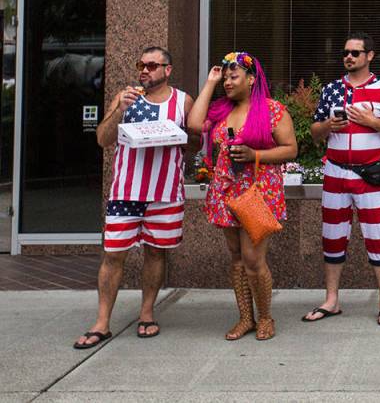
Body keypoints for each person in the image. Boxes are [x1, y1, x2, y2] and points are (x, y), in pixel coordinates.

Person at [74, 47, 193, 349]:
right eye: (141, 64)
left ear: (168, 70)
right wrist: (118, 110)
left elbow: (195, 142)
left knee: (156, 253)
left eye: (153, 65)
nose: (145, 70)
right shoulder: (126, 97)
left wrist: (185, 134)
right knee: (113, 254)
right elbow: (103, 139)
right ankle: (102, 323)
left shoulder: (182, 101)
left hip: (165, 192)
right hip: (126, 191)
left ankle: (147, 313)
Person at [187, 51, 297, 340]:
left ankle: (265, 318)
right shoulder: (221, 111)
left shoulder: (273, 110)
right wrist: (209, 82)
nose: (227, 81)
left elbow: (290, 149)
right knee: (236, 257)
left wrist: (254, 154)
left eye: (233, 76)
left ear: (251, 79)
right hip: (226, 191)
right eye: (224, 76)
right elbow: (195, 125)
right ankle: (245, 318)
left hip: (258, 192)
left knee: (252, 259)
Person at [302, 33, 380, 326]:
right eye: (346, 52)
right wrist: (327, 125)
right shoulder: (332, 89)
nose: (348, 57)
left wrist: (373, 122)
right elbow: (313, 132)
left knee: (377, 237)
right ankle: (331, 300)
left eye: (355, 52)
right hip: (335, 172)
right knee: (332, 238)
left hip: (369, 174)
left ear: (369, 56)